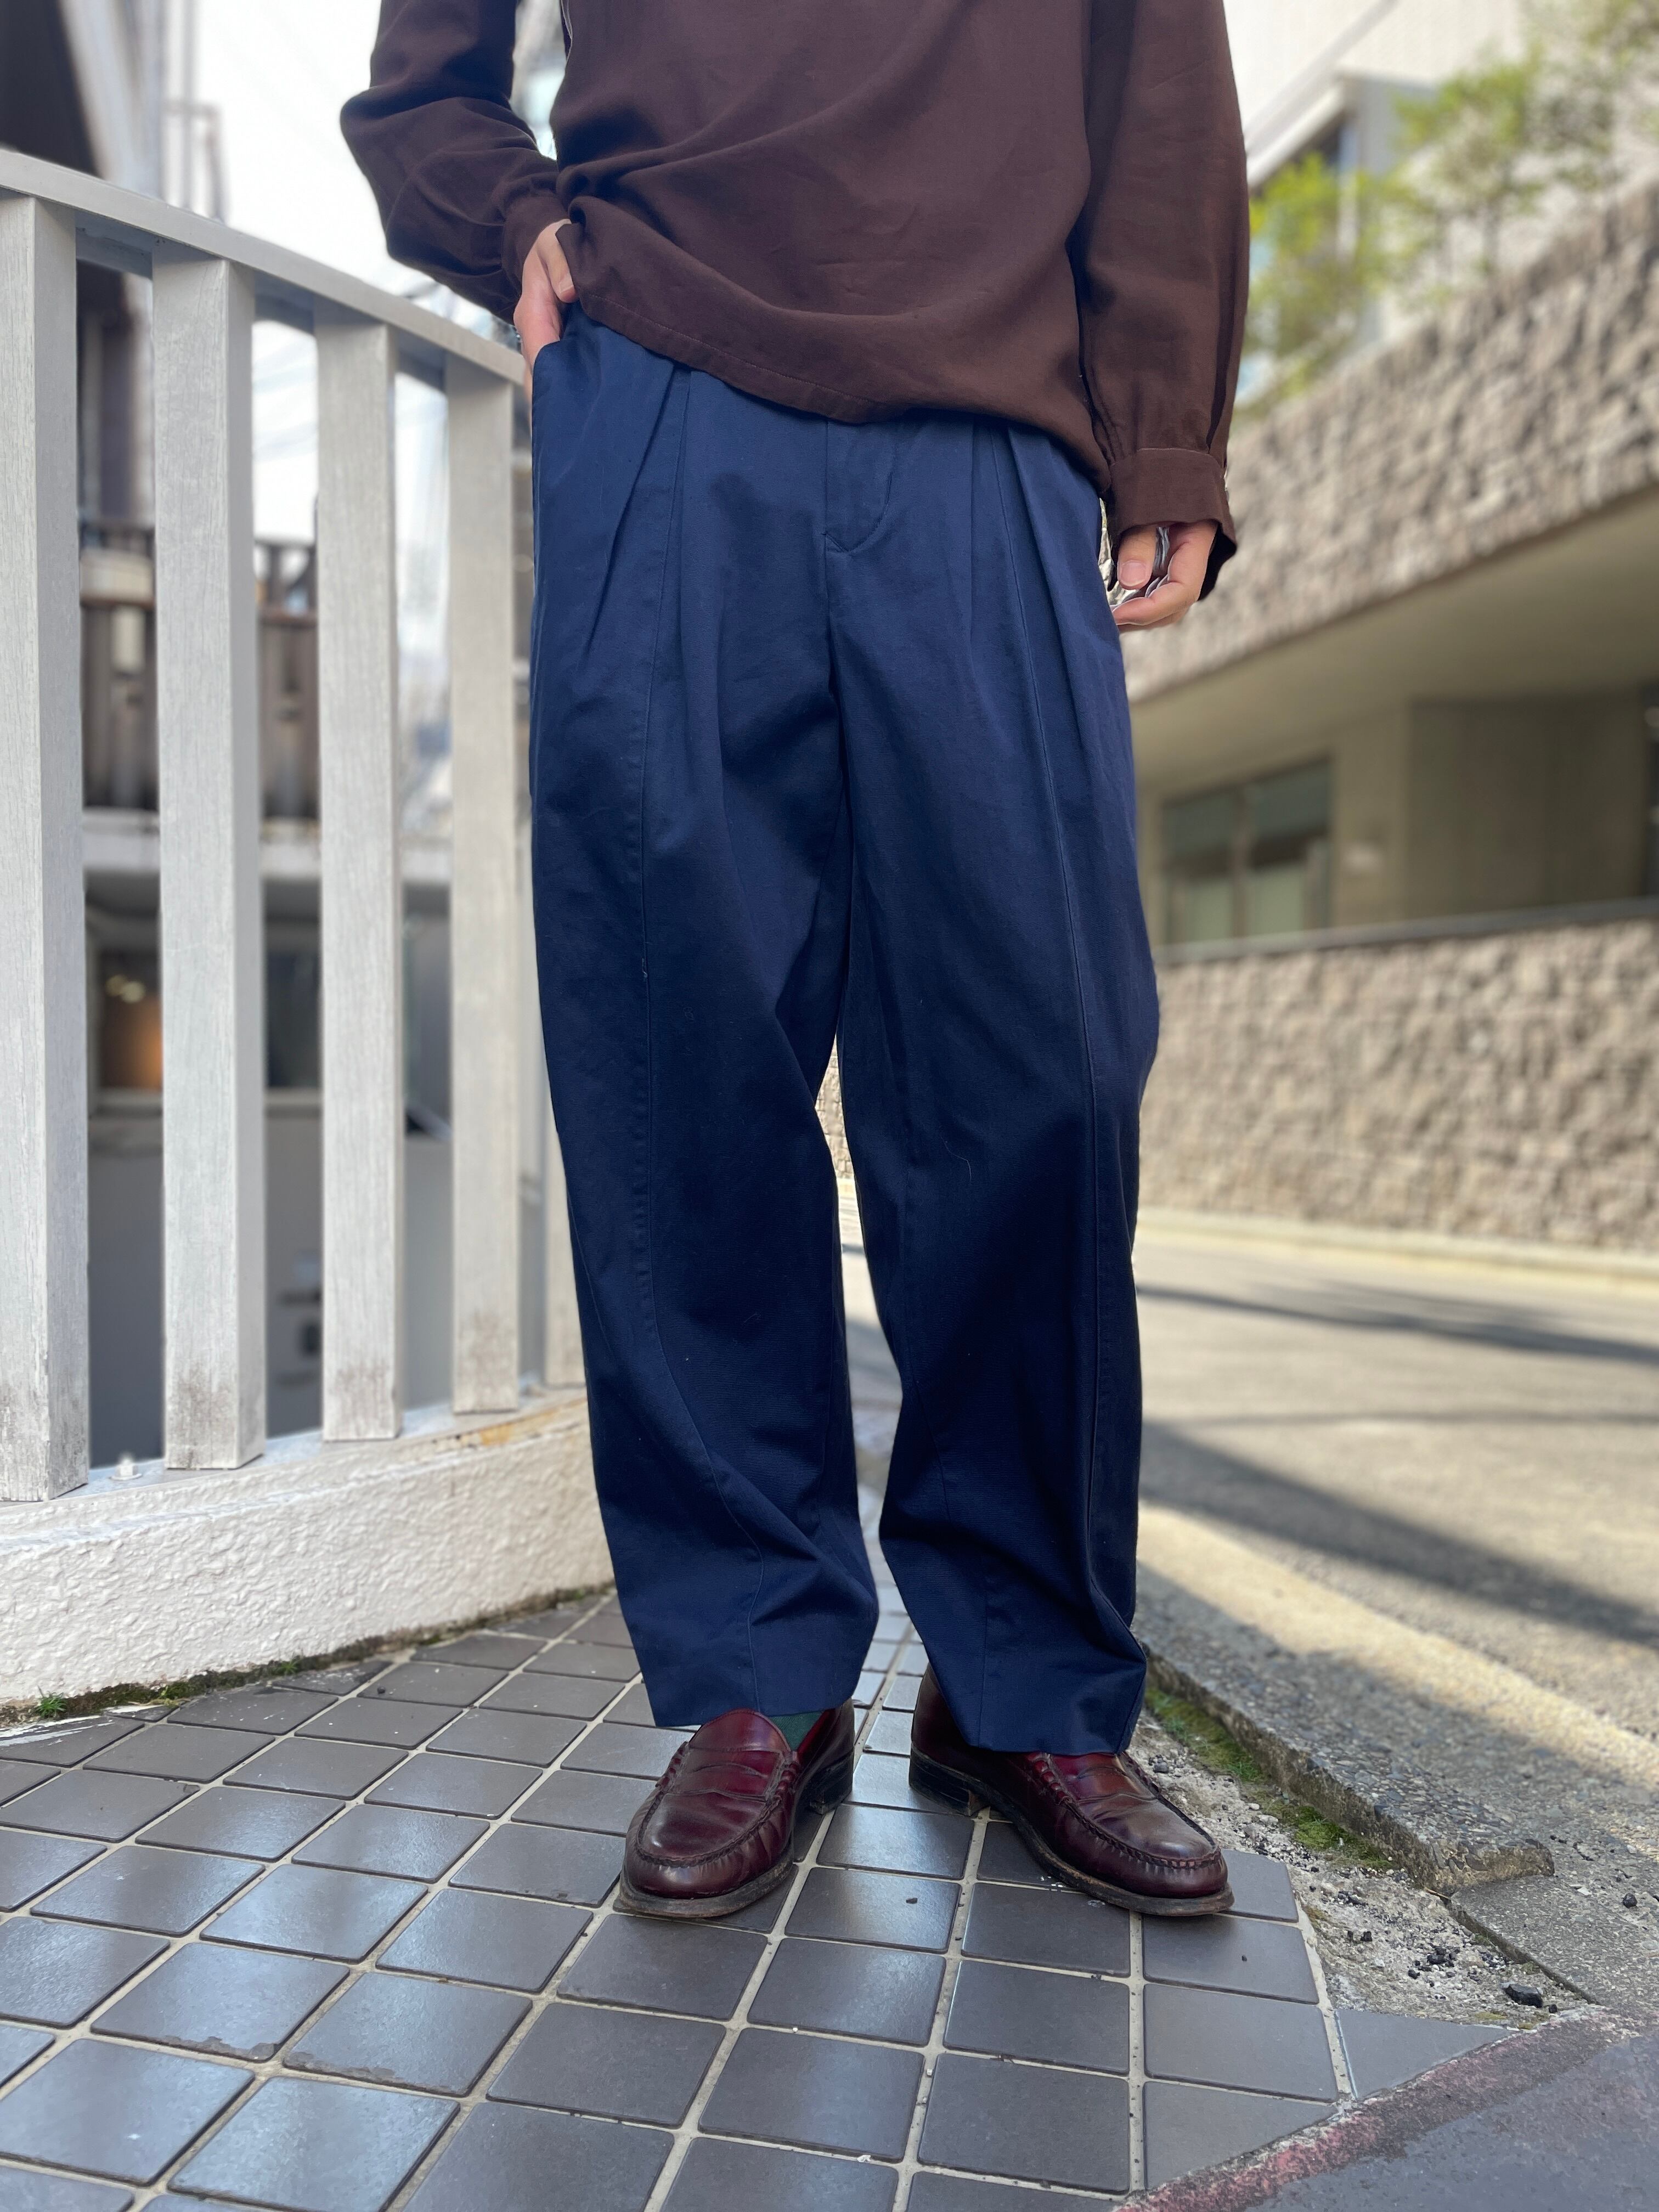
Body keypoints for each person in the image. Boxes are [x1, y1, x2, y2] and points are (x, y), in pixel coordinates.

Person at [345, 0, 1248, 1921]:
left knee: (1049, 1070)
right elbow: (423, 80)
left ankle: (1021, 1685)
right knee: (680, 1055)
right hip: (669, 386)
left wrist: (1166, 428)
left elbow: (1157, 79)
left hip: (998, 423)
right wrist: (514, 216)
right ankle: (761, 1668)